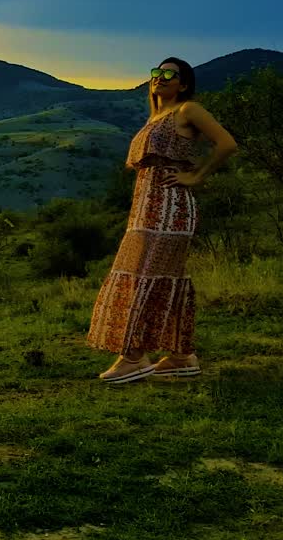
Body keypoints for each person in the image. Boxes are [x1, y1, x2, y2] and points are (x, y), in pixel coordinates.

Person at [87, 57, 238, 384]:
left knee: (146, 275)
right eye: (156, 72)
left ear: (183, 83)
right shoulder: (156, 117)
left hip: (170, 208)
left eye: (169, 73)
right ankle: (182, 356)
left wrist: (197, 175)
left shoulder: (188, 110)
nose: (160, 77)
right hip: (145, 208)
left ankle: (134, 357)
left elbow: (227, 143)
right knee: (158, 275)